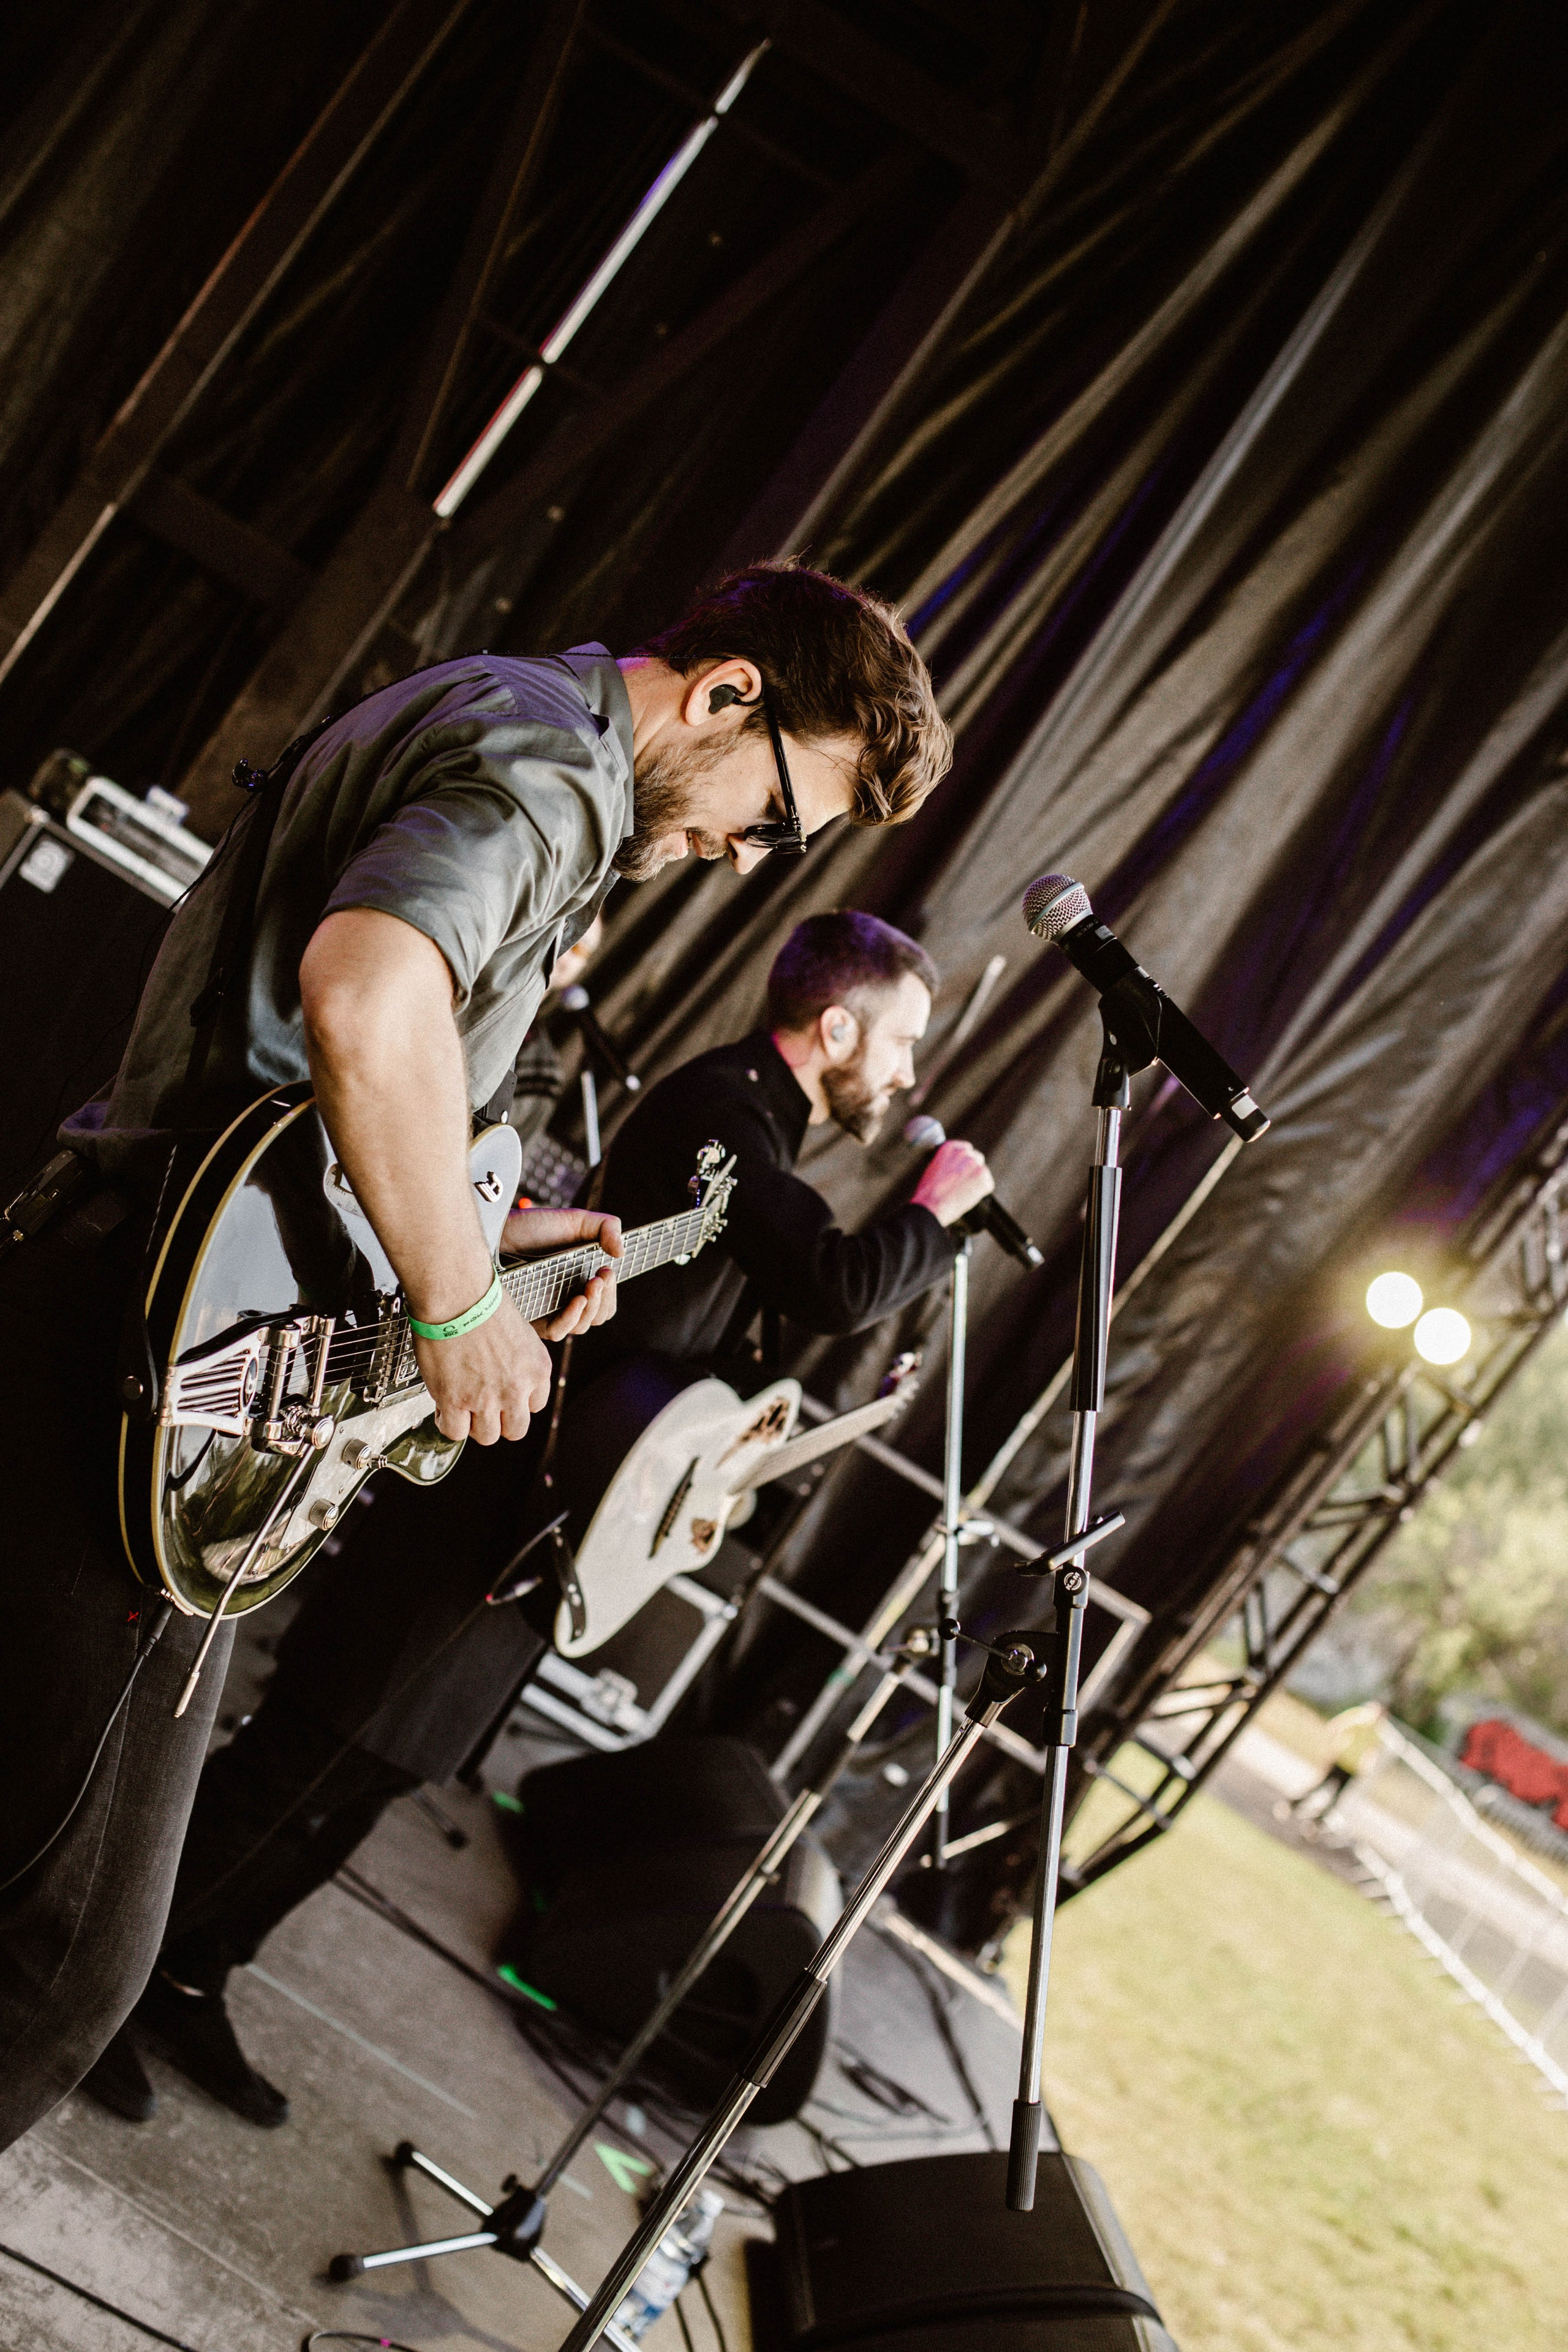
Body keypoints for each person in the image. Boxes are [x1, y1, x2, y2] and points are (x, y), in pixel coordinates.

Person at [0, 560, 952, 2150]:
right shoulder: (552, 770)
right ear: (727, 697)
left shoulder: (517, 730)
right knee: (67, 1959)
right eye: (776, 818)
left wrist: (497, 1236)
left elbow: (319, 1117)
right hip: (141, 1346)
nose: (745, 858)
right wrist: (456, 1306)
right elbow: (364, 1004)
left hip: (146, 1307)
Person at [84, 909, 993, 2128]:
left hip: (552, 1505)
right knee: (313, 1745)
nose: (904, 1076)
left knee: (380, 1774)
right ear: (834, 1025)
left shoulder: (759, 1130)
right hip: (490, 1474)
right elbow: (832, 1285)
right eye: (899, 1045)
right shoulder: (720, 1114)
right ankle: (108, 1981)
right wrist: (933, 1215)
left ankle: (196, 1971)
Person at [1283, 1700, 1387, 1826]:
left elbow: (1373, 1751)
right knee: (1319, 1785)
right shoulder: (1359, 1718)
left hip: (1352, 1768)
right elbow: (1337, 1726)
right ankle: (1293, 1804)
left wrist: (1366, 1766)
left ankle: (1316, 1822)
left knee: (1336, 1798)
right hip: (1339, 1760)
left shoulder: (1376, 1732)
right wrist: (1334, 1746)